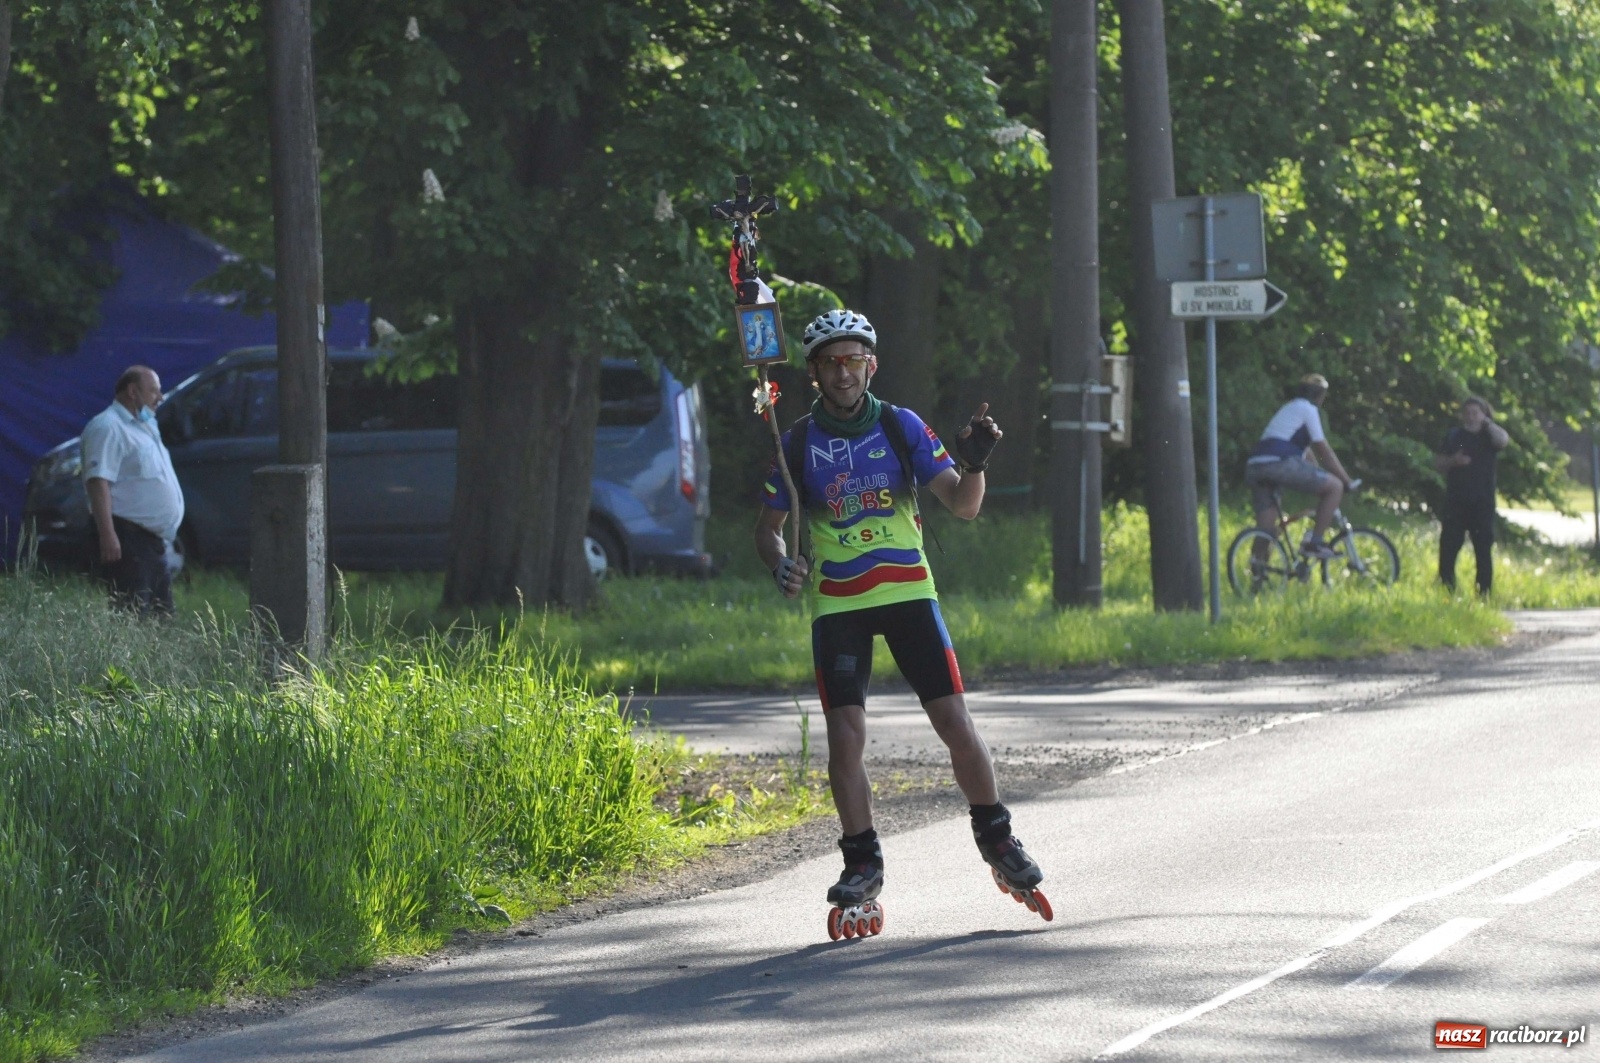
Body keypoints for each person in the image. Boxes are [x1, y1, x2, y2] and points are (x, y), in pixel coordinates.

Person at [754, 308, 1045, 917]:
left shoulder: (901, 425)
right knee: (844, 740)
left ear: (872, 365)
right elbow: (770, 529)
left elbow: (963, 507)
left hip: (910, 592)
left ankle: (997, 836)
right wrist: (781, 565)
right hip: (840, 603)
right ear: (814, 372)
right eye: (831, 363)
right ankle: (861, 861)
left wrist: (975, 465)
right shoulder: (797, 441)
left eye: (854, 360)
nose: (843, 373)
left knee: (954, 724)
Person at [81, 365, 185, 616]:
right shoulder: (108, 427)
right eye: (153, 391)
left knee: (161, 619)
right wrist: (108, 535)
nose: (159, 398)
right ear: (132, 392)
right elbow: (98, 482)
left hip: (151, 542)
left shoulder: (143, 427)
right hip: (128, 539)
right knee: (132, 617)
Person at [1244, 373, 1356, 560]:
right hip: (1278, 463)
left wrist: (1318, 477)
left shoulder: (1289, 409)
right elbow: (1323, 449)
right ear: (1321, 396)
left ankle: (1257, 573)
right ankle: (1315, 543)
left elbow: (1308, 455)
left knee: (1267, 529)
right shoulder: (1308, 410)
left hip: (1256, 466)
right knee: (1335, 487)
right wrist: (1346, 481)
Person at [1434, 396, 1509, 595]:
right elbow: (1439, 463)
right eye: (1467, 413)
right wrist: (1453, 461)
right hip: (1456, 501)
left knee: (1483, 549)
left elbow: (1503, 441)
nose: (1471, 417)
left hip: (1482, 503)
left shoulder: (1489, 437)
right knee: (1449, 547)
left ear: (1483, 414)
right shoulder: (1454, 436)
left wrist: (1487, 423)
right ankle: (1446, 589)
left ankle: (1484, 593)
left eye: (1475, 413)